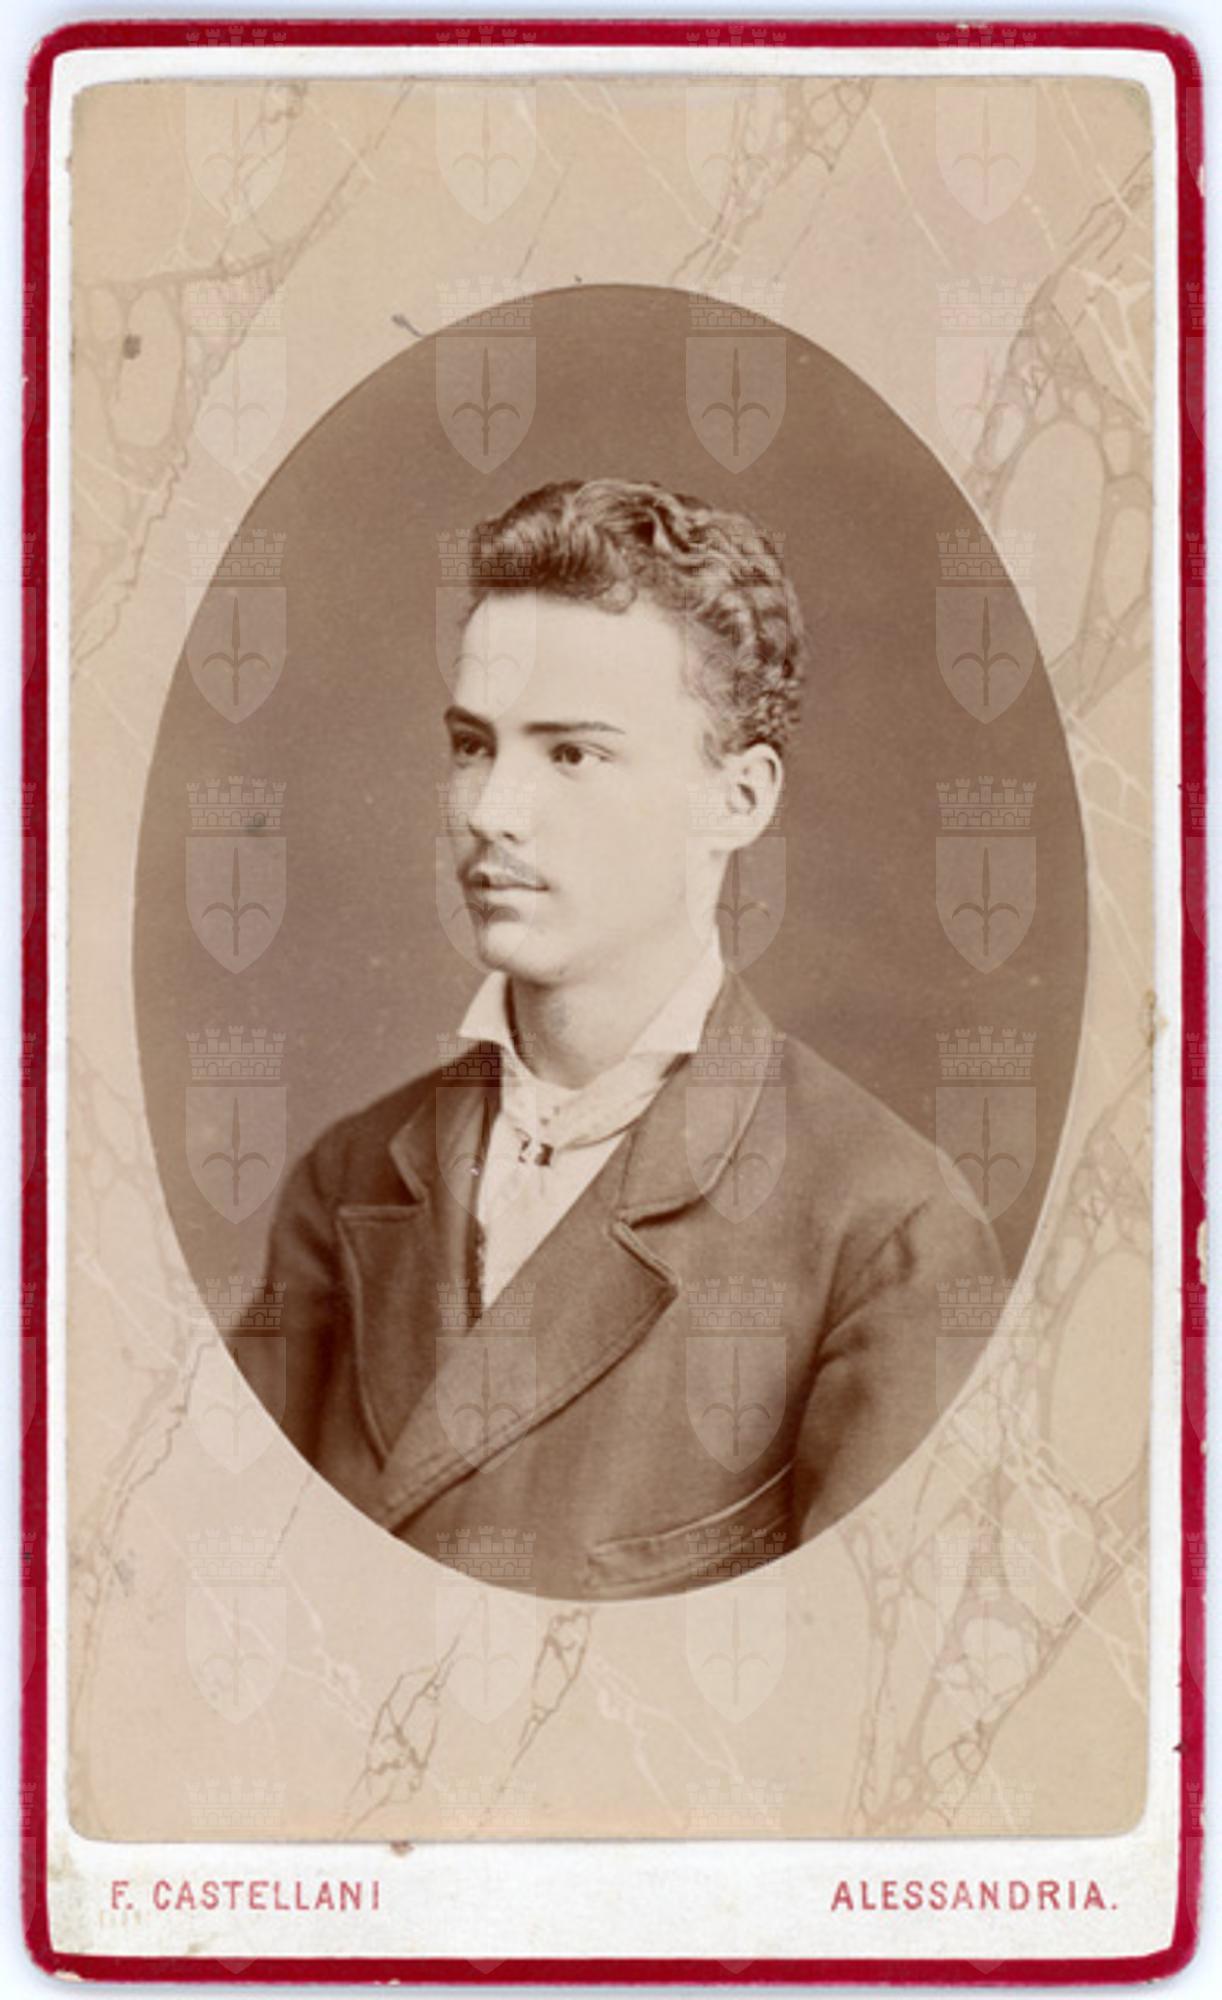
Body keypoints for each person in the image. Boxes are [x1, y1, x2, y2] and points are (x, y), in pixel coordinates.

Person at [232, 477, 1005, 1600]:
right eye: (471, 745)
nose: (491, 810)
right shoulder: (346, 1177)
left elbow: (862, 1685)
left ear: (737, 800)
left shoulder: (887, 1233)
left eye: (572, 754)